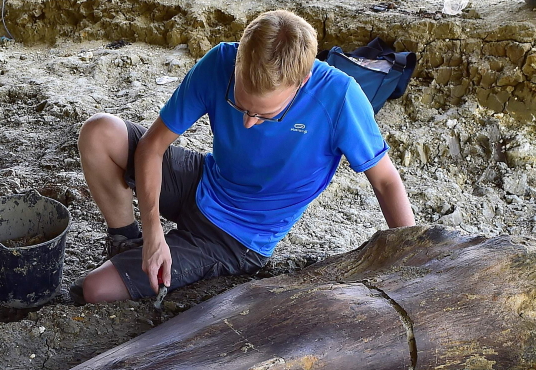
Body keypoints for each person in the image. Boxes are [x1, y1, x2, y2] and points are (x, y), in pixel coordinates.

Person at [75, 9, 415, 304]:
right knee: (100, 131)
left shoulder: (340, 97)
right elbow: (151, 147)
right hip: (205, 179)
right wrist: (152, 235)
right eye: (239, 105)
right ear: (238, 59)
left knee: (94, 289)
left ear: (303, 80)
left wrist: (414, 258)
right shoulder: (220, 61)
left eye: (265, 115)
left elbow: (385, 181)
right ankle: (125, 241)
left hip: (238, 237)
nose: (249, 123)